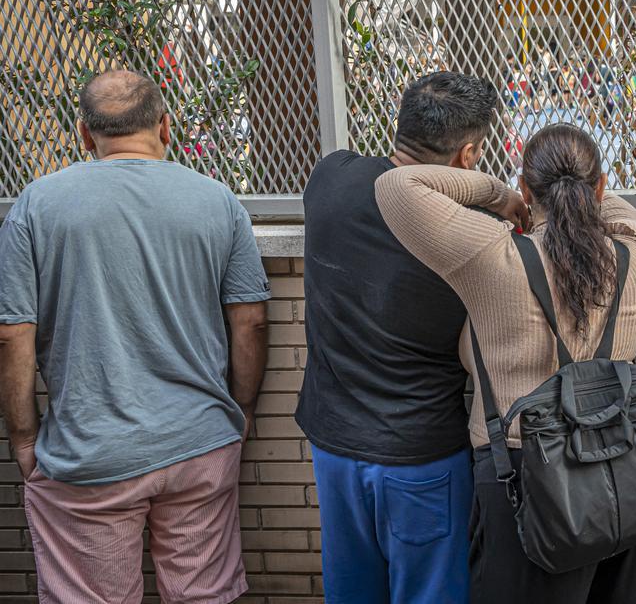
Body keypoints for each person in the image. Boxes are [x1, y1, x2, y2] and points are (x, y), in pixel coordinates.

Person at [0, 70, 270, 604]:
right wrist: (239, 409)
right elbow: (252, 320)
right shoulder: (217, 201)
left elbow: (12, 337)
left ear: (84, 135)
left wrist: (25, 439)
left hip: (88, 453)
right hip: (200, 443)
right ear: (166, 127)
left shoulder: (38, 204)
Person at [373, 123, 636, 604]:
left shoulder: (494, 254)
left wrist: (500, 193)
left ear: (528, 189)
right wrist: (583, 199)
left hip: (523, 475)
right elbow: (612, 209)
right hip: (623, 471)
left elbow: (395, 185)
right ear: (601, 188)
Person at [295, 72, 499, 604]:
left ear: (400, 125)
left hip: (335, 447)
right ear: (469, 153)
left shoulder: (331, 178)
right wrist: (500, 195)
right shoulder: (467, 230)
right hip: (422, 455)